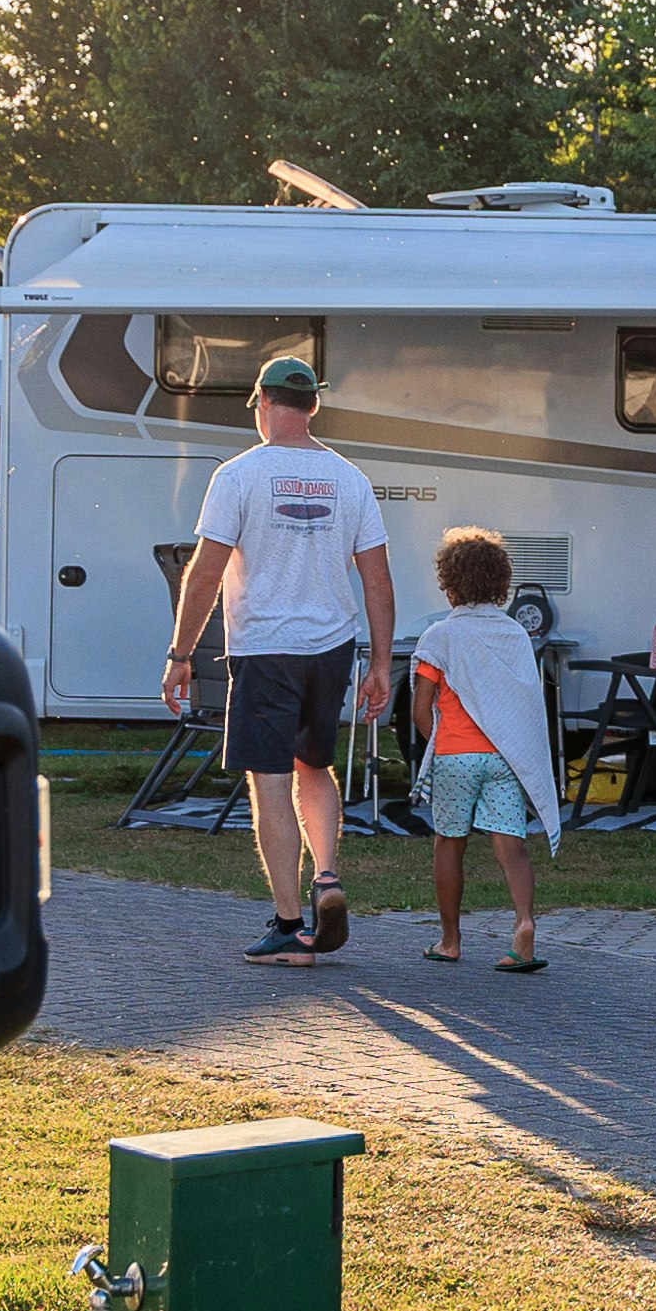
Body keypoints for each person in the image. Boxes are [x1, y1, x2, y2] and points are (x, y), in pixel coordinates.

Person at [160, 354, 397, 965]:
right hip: (332, 647)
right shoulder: (350, 478)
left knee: (270, 784)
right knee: (313, 767)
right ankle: (327, 874)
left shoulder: (239, 474)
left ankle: (292, 927)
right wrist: (380, 665)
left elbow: (206, 570)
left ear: (263, 404)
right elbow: (377, 580)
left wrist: (181, 654)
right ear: (313, 405)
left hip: (265, 649)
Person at [408, 528, 561, 970]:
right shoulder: (515, 634)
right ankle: (525, 924)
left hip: (455, 755)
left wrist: (436, 744)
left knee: (448, 843)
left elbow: (421, 709)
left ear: (449, 585)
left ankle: (450, 940)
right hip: (504, 756)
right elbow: (523, 701)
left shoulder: (439, 636)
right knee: (510, 844)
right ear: (501, 584)